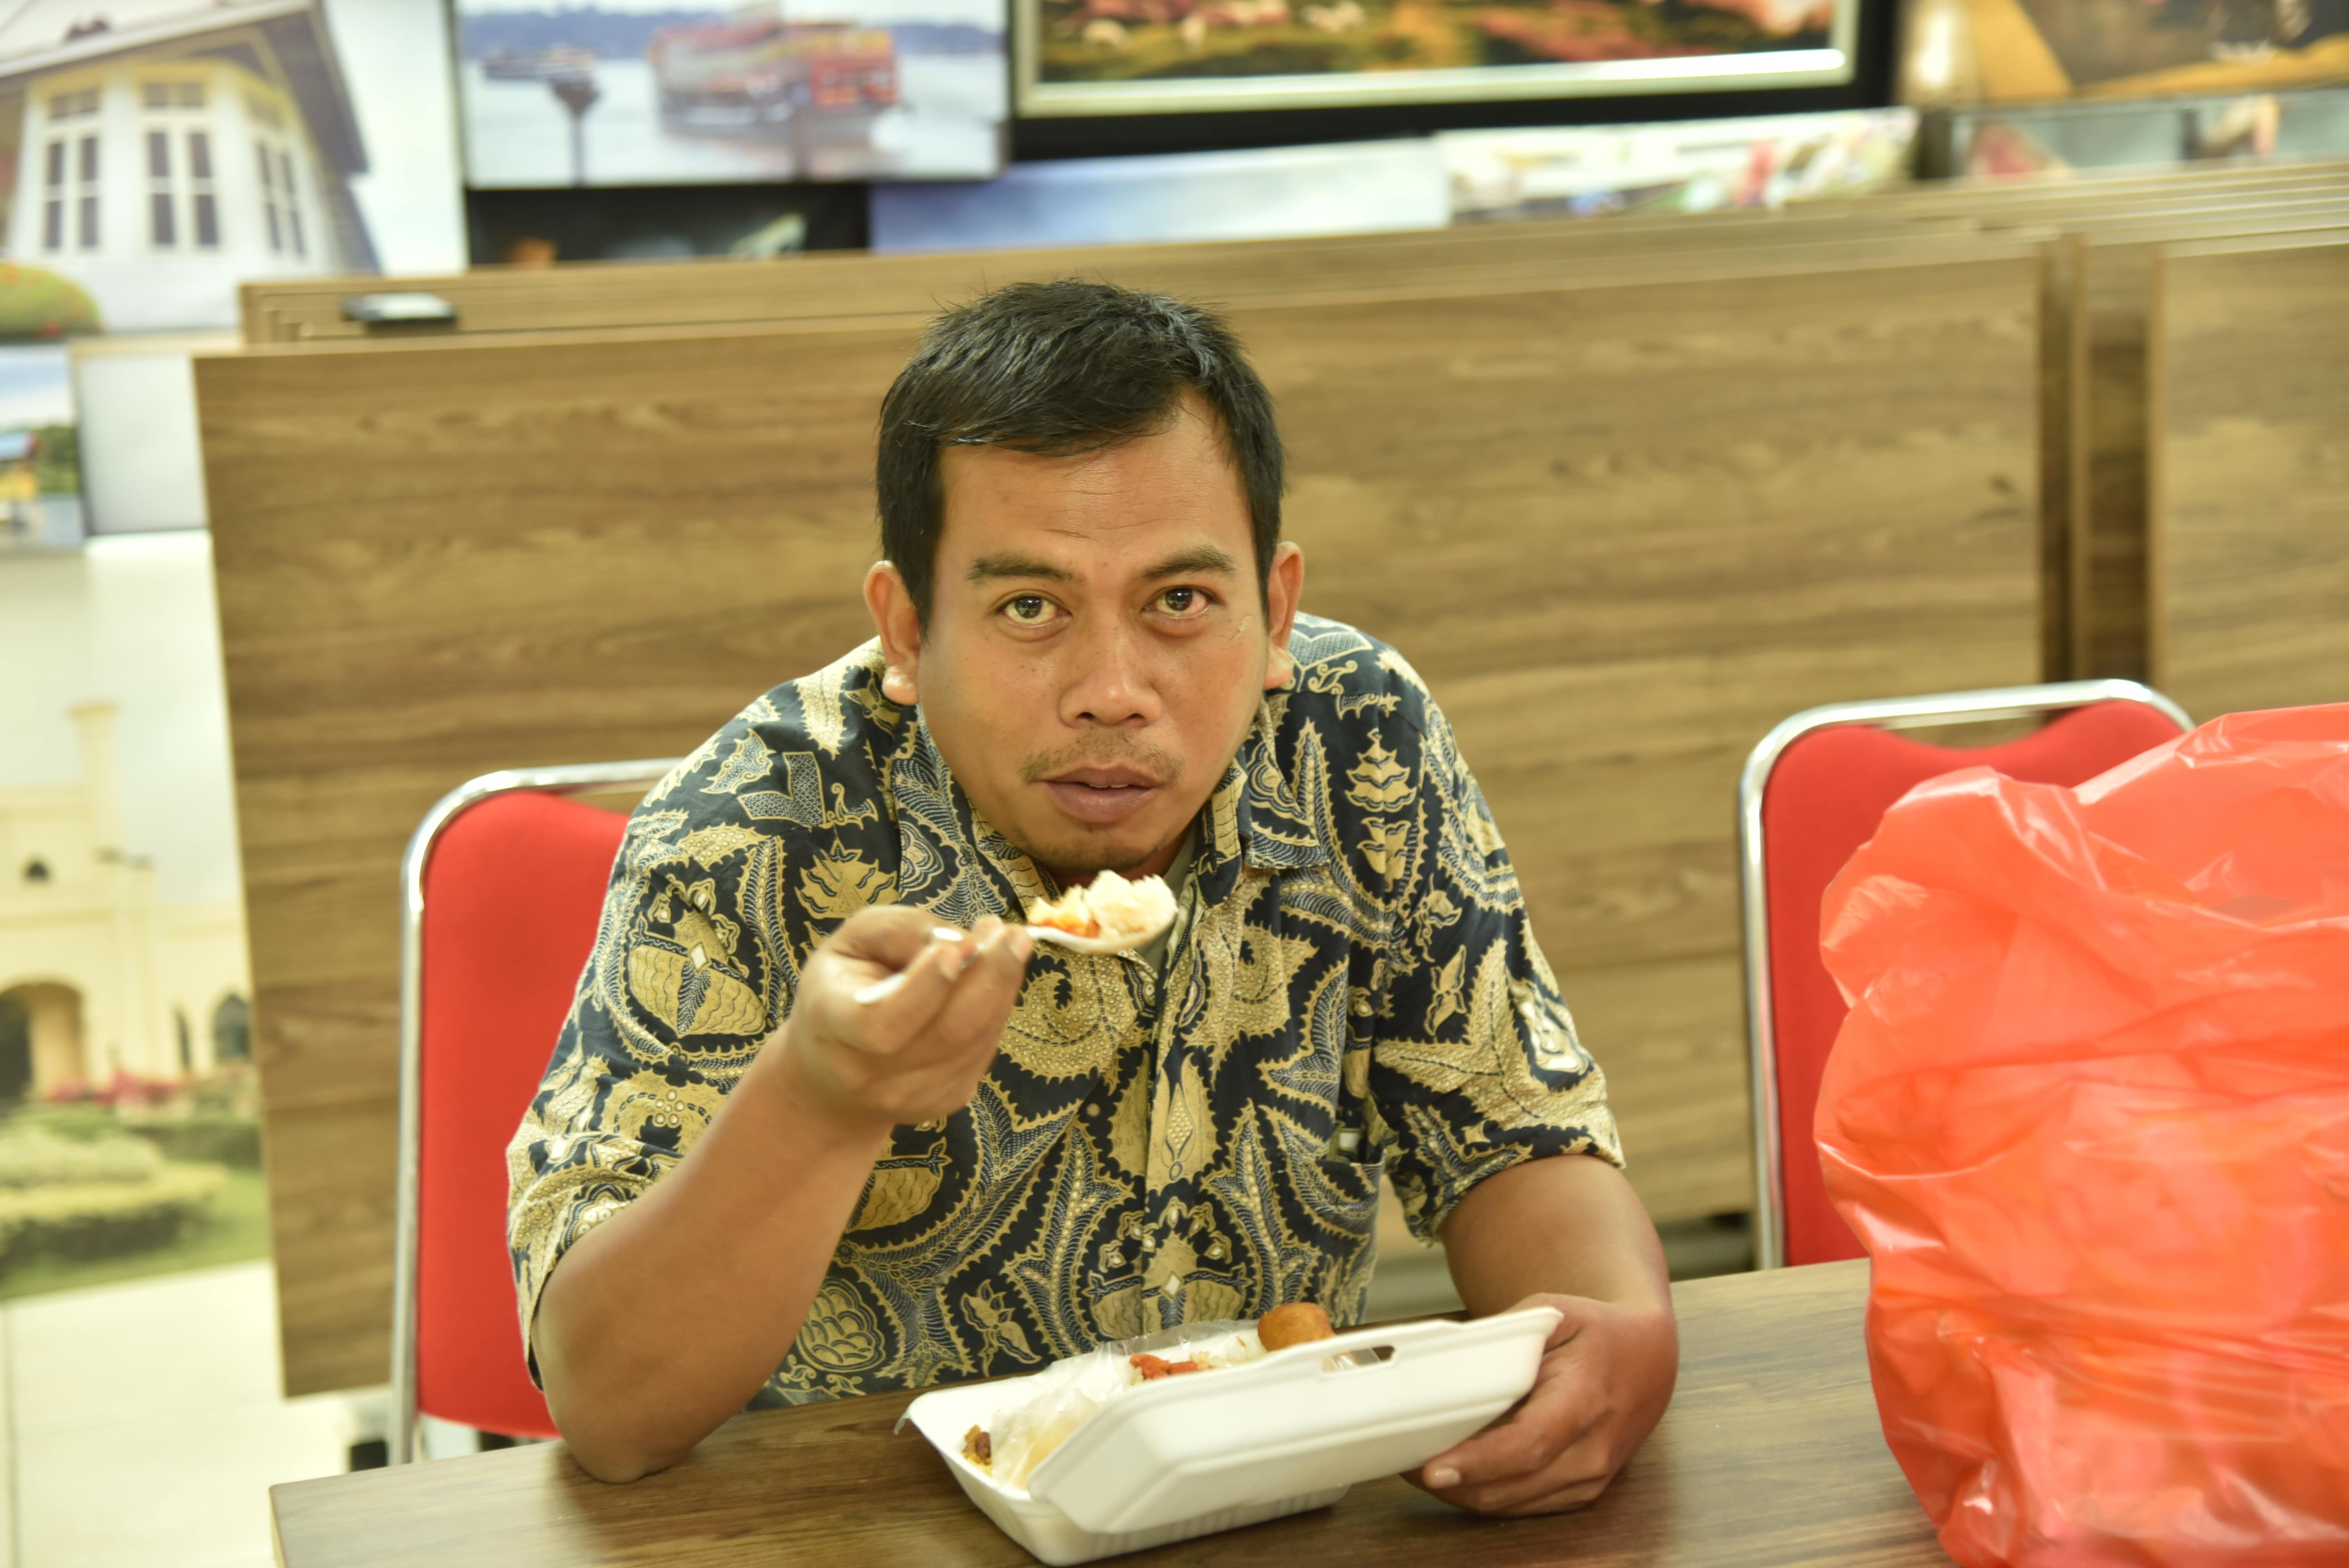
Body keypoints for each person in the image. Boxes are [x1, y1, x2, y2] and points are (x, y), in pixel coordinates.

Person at [508, 280, 1679, 1508]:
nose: (1113, 692)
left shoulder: (1356, 738)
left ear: (1275, 611)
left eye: (1180, 603)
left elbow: (1505, 1128)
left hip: (1273, 1506)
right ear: (906, 630)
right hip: (858, 1527)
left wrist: (1615, 1325)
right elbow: (613, 1410)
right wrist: (819, 1101)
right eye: (1030, 608)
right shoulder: (750, 829)